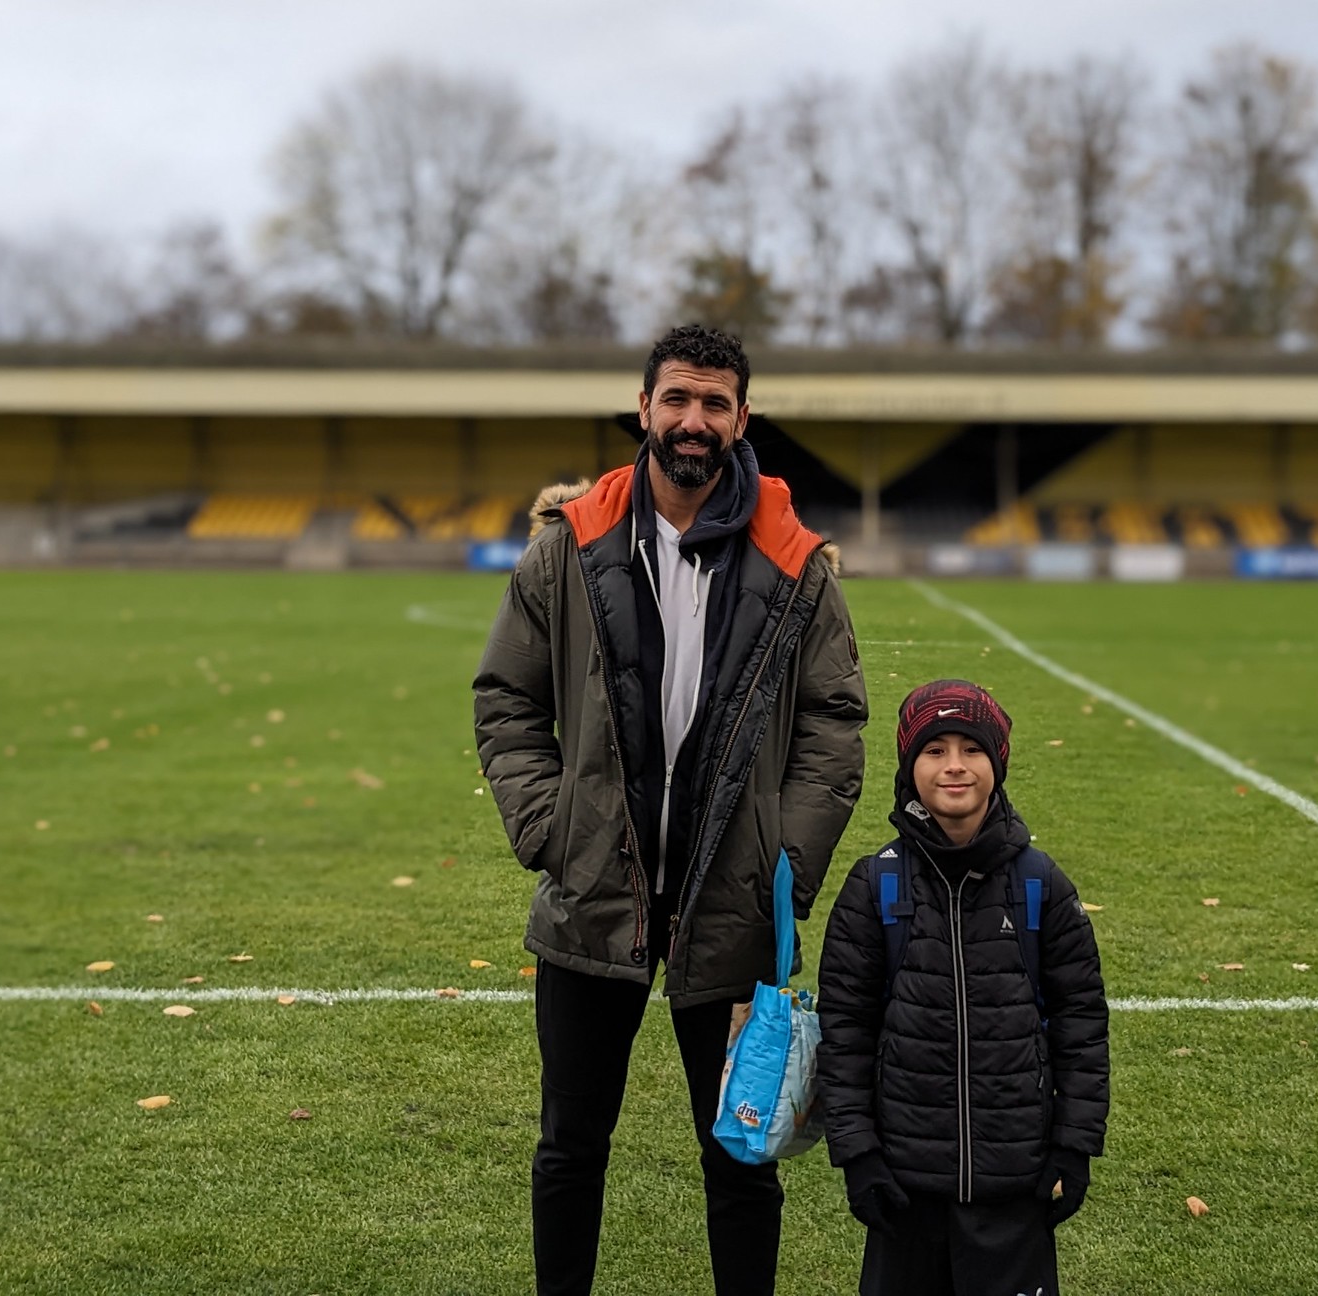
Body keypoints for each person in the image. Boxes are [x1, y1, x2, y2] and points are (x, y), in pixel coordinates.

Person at [473, 324, 868, 1296]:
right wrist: (549, 827)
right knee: (569, 1146)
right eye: (677, 399)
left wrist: (785, 863)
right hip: (592, 892)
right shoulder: (570, 546)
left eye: (715, 403)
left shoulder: (793, 562)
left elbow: (834, 721)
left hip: (731, 901)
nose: (693, 420)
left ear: (741, 420)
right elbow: (506, 699)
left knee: (739, 1158)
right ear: (644, 409)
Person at [816, 679, 1109, 1296]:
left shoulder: (1040, 885)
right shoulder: (874, 887)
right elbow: (844, 1036)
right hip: (904, 1192)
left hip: (1015, 1190)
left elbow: (1081, 1024)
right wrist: (859, 1155)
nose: (954, 766)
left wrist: (1073, 1146)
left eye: (971, 749)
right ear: (909, 764)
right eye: (934, 750)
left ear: (997, 763)